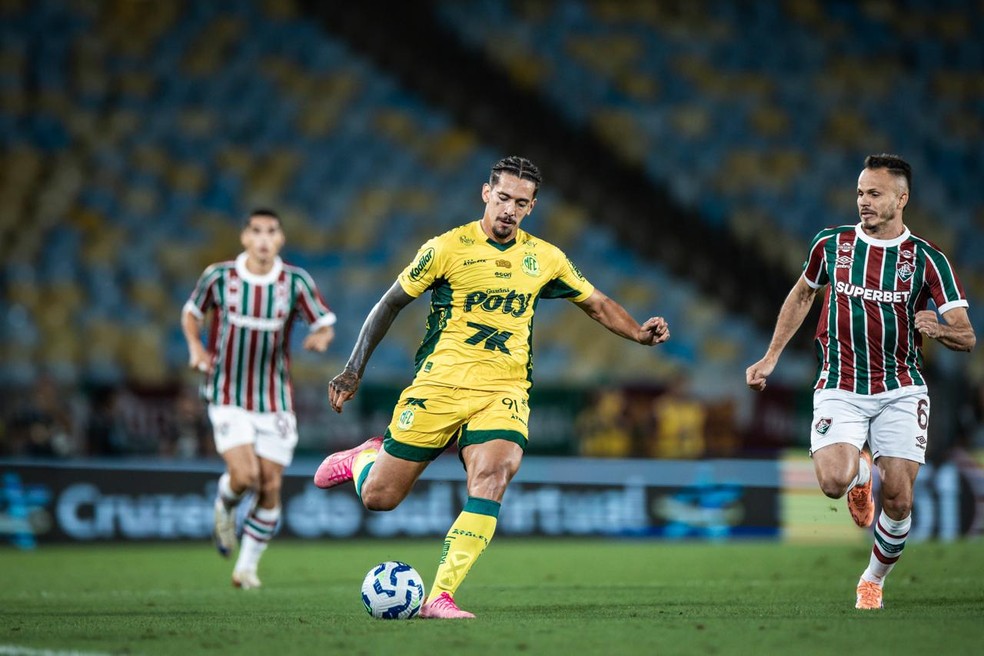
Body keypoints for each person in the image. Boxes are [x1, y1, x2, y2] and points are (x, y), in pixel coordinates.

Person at [314, 156, 670, 619]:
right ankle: (363, 458)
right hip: (438, 385)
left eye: (521, 203)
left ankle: (439, 595)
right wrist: (352, 370)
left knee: (494, 475)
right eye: (502, 198)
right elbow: (389, 304)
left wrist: (639, 334)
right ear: (486, 194)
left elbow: (597, 304)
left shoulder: (545, 258)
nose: (509, 210)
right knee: (380, 498)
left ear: (532, 206)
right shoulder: (446, 248)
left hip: (503, 390)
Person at [745, 154, 975, 610]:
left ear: (901, 199)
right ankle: (860, 474)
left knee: (900, 500)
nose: (863, 202)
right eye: (860, 193)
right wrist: (771, 356)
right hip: (840, 383)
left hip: (901, 388)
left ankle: (872, 579)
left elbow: (966, 335)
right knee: (833, 482)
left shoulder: (929, 262)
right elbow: (803, 293)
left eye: (874, 194)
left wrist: (940, 329)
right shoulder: (832, 244)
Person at [181, 208, 336, 589]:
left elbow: (324, 322)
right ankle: (225, 505)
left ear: (280, 239)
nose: (264, 238)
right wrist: (196, 349)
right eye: (257, 231)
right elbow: (191, 313)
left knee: (270, 485)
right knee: (245, 476)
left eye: (271, 231)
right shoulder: (219, 277)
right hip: (227, 392)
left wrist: (320, 339)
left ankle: (246, 568)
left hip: (275, 397)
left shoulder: (295, 281)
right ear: (245, 238)